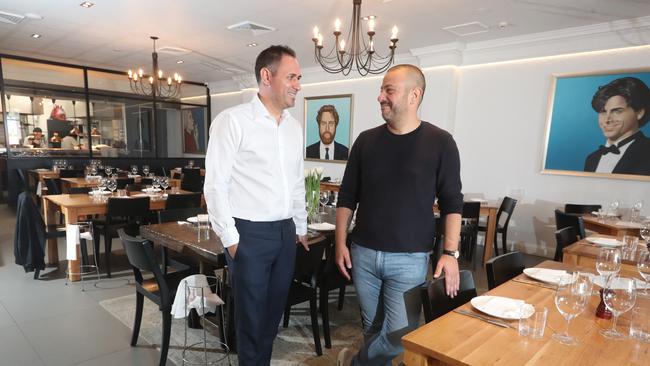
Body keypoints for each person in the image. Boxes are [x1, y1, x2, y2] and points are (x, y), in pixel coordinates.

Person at [335, 64, 463, 366]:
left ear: (414, 95)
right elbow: (347, 196)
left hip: (410, 259)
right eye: (382, 90)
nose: (380, 97)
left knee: (397, 336)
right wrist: (341, 242)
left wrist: (450, 252)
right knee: (372, 330)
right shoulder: (365, 141)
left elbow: (452, 202)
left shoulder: (441, 142)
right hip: (363, 254)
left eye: (388, 90)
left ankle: (353, 364)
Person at [203, 45, 308, 365]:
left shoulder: (294, 127)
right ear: (266, 76)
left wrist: (300, 227)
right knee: (249, 322)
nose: (298, 85)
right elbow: (215, 185)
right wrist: (232, 240)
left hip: (285, 233)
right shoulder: (232, 121)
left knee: (271, 317)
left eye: (299, 78)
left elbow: (296, 181)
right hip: (248, 235)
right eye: (291, 77)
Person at [584, 77, 650, 175]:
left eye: (617, 111)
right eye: (603, 112)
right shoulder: (591, 159)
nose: (607, 120)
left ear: (639, 113)